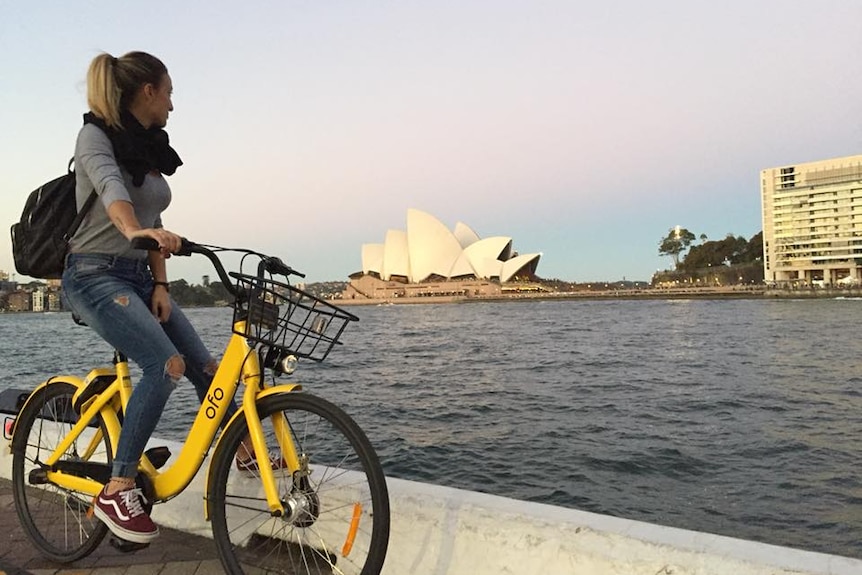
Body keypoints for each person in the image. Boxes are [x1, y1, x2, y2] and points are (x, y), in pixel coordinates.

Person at [62, 51, 270, 545]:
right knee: (165, 365)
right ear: (148, 92)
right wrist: (133, 229)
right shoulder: (95, 136)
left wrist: (160, 282)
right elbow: (114, 192)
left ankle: (238, 447)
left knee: (204, 367)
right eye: (169, 92)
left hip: (138, 276)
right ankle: (118, 485)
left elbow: (154, 226)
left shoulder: (150, 147)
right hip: (92, 274)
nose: (173, 104)